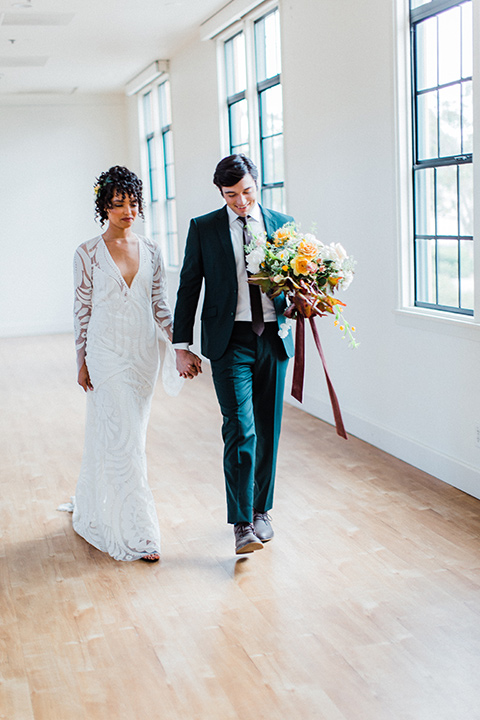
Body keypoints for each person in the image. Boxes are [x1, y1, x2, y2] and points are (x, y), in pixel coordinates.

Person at [173, 154, 295, 554]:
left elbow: (294, 285)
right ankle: (242, 523)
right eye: (231, 195)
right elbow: (189, 286)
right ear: (220, 192)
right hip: (229, 343)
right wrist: (181, 345)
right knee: (240, 428)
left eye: (247, 192)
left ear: (256, 185)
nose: (241, 202)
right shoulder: (204, 228)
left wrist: (302, 302)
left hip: (273, 339)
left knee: (268, 429)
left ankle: (262, 511)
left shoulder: (282, 225)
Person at [71, 165, 182, 562]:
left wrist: (181, 345)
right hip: (104, 353)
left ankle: (101, 508)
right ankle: (139, 532)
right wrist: (81, 360)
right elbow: (81, 310)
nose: (127, 211)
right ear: (104, 206)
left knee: (131, 435)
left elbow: (160, 306)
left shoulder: (152, 250)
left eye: (133, 203)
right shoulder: (86, 253)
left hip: (142, 356)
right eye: (118, 204)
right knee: (128, 444)